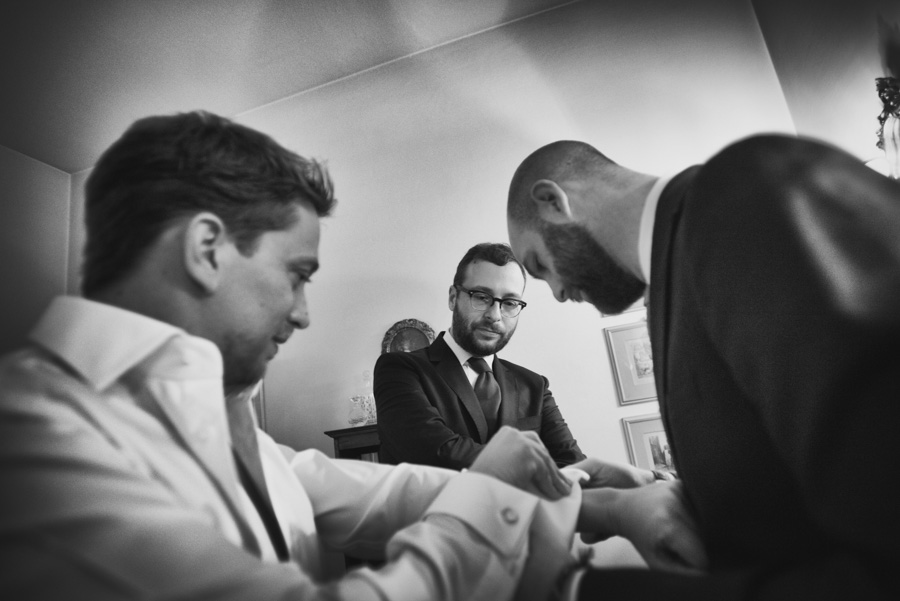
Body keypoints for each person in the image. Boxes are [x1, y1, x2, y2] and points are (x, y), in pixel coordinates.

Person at [0, 111, 705, 601]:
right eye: (296, 274)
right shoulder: (31, 436)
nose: (304, 312)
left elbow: (390, 494)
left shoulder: (236, 433)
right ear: (207, 249)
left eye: (513, 301)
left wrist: (614, 509)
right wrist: (493, 490)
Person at [506, 135, 900, 599]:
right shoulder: (668, 293)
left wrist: (575, 590)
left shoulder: (740, 195)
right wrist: (651, 490)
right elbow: (787, 497)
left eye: (540, 265)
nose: (556, 292)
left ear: (553, 202)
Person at [374, 242, 585, 469]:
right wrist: (533, 468)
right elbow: (438, 452)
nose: (495, 315)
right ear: (453, 298)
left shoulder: (535, 386)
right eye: (482, 297)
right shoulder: (399, 369)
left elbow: (573, 464)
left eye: (510, 303)